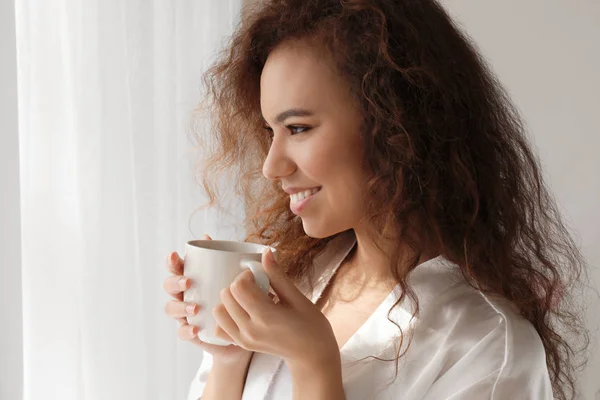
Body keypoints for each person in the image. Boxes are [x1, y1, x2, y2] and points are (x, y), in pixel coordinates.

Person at [163, 0, 589, 399]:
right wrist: (230, 356)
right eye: (269, 132)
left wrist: (315, 365)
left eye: (298, 129)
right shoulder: (297, 277)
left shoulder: (489, 347)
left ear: (395, 125)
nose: (271, 167)